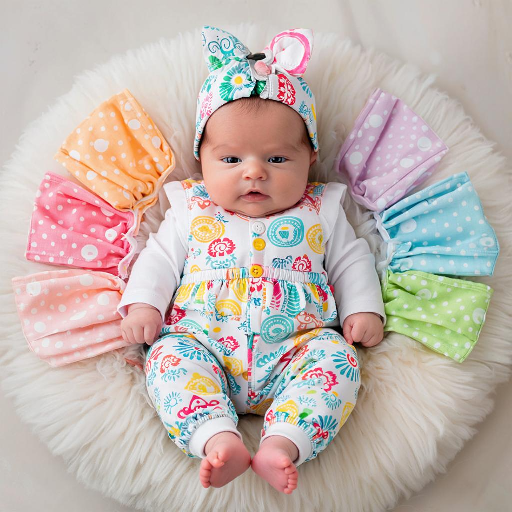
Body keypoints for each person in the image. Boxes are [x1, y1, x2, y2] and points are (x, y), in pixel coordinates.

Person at [118, 26, 385, 494]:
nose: (254, 172)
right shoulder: (191, 208)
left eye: (277, 159)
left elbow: (351, 260)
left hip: (298, 349)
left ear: (310, 158)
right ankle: (215, 437)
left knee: (338, 360)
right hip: (203, 345)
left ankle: (285, 442)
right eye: (230, 160)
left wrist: (363, 308)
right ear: (201, 160)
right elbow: (157, 259)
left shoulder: (320, 209)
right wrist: (144, 304)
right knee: (166, 358)